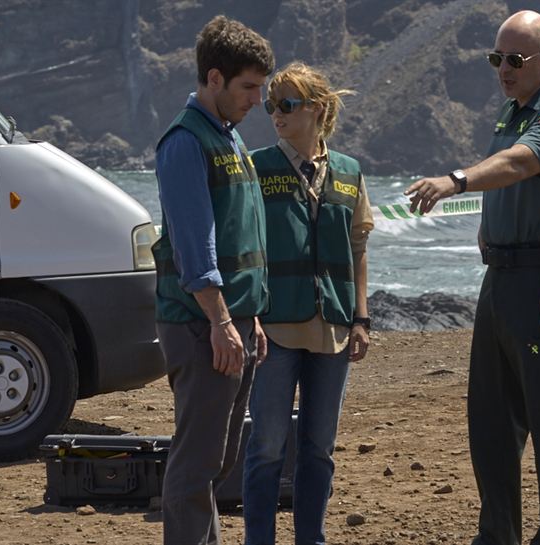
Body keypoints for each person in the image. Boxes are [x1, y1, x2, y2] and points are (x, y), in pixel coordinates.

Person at [404, 10, 540, 545]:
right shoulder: (512, 111)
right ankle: (498, 533)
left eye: (515, 59)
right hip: (502, 279)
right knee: (489, 418)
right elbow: (509, 173)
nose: (504, 70)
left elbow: (519, 163)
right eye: (497, 59)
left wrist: (456, 180)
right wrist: (491, 230)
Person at [151, 15, 273, 545]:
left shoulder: (228, 137)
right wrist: (222, 321)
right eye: (249, 88)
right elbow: (194, 246)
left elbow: (240, 235)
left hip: (233, 320)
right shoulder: (185, 141)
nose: (258, 101)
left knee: (218, 458)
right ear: (215, 78)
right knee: (197, 460)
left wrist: (252, 319)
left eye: (262, 89)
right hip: (203, 324)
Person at [241, 62, 373, 545]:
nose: (275, 113)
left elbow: (359, 252)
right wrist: (247, 315)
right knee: (267, 446)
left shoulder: (349, 173)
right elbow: (244, 247)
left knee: (319, 449)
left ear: (317, 109)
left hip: (334, 331)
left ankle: (310, 539)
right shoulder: (256, 168)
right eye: (273, 105)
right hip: (274, 329)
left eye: (287, 105)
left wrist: (361, 318)